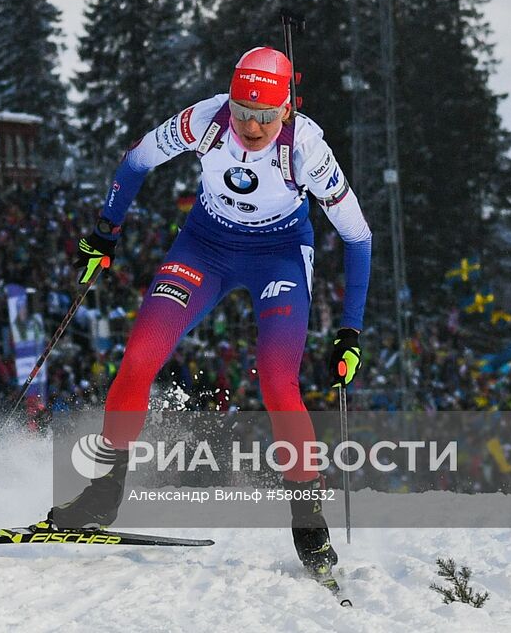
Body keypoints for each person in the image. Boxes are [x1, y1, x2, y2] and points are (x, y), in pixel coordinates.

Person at [46, 46, 371, 585]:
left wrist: (350, 331)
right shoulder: (205, 120)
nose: (251, 125)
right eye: (243, 110)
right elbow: (136, 161)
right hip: (205, 247)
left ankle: (308, 518)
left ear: (287, 108)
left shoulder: (307, 148)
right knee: (140, 355)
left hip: (280, 253)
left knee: (276, 379)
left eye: (266, 115)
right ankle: (103, 493)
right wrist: (106, 231)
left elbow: (357, 237)